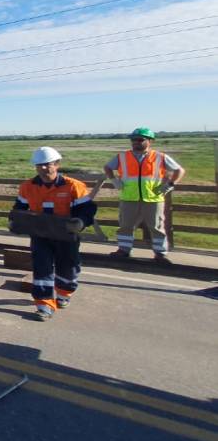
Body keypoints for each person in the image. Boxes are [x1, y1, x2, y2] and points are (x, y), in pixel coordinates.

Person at [10, 147, 96, 321]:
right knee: (42, 268)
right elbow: (20, 208)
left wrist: (80, 222)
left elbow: (87, 209)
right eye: (39, 165)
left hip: (66, 235)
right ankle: (44, 306)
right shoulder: (28, 187)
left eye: (47, 165)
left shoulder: (73, 186)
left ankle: (64, 293)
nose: (43, 168)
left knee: (69, 267)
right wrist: (15, 221)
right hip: (40, 235)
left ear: (57, 164)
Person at [103, 127, 185, 266]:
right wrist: (114, 180)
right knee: (126, 226)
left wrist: (170, 184)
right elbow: (107, 167)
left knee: (157, 227)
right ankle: (124, 250)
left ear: (150, 141)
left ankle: (160, 254)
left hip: (153, 198)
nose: (136, 142)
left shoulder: (160, 157)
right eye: (134, 139)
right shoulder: (122, 156)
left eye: (140, 139)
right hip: (129, 198)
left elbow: (179, 170)